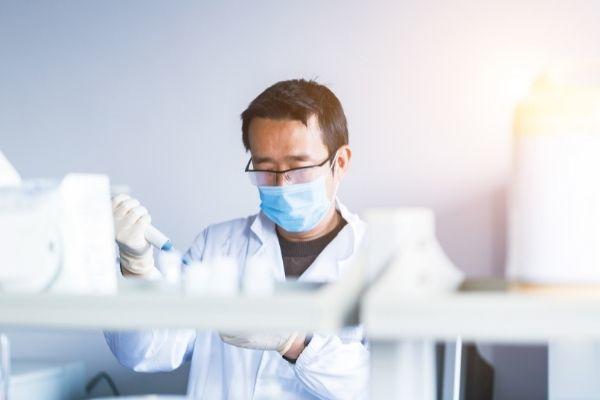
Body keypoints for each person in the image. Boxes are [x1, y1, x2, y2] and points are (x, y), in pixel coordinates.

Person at [105, 79, 369, 399]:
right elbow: (148, 352)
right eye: (265, 168)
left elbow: (389, 387)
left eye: (298, 168)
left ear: (339, 163)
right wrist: (137, 267)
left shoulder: (375, 259)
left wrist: (295, 342)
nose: (282, 184)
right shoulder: (217, 246)